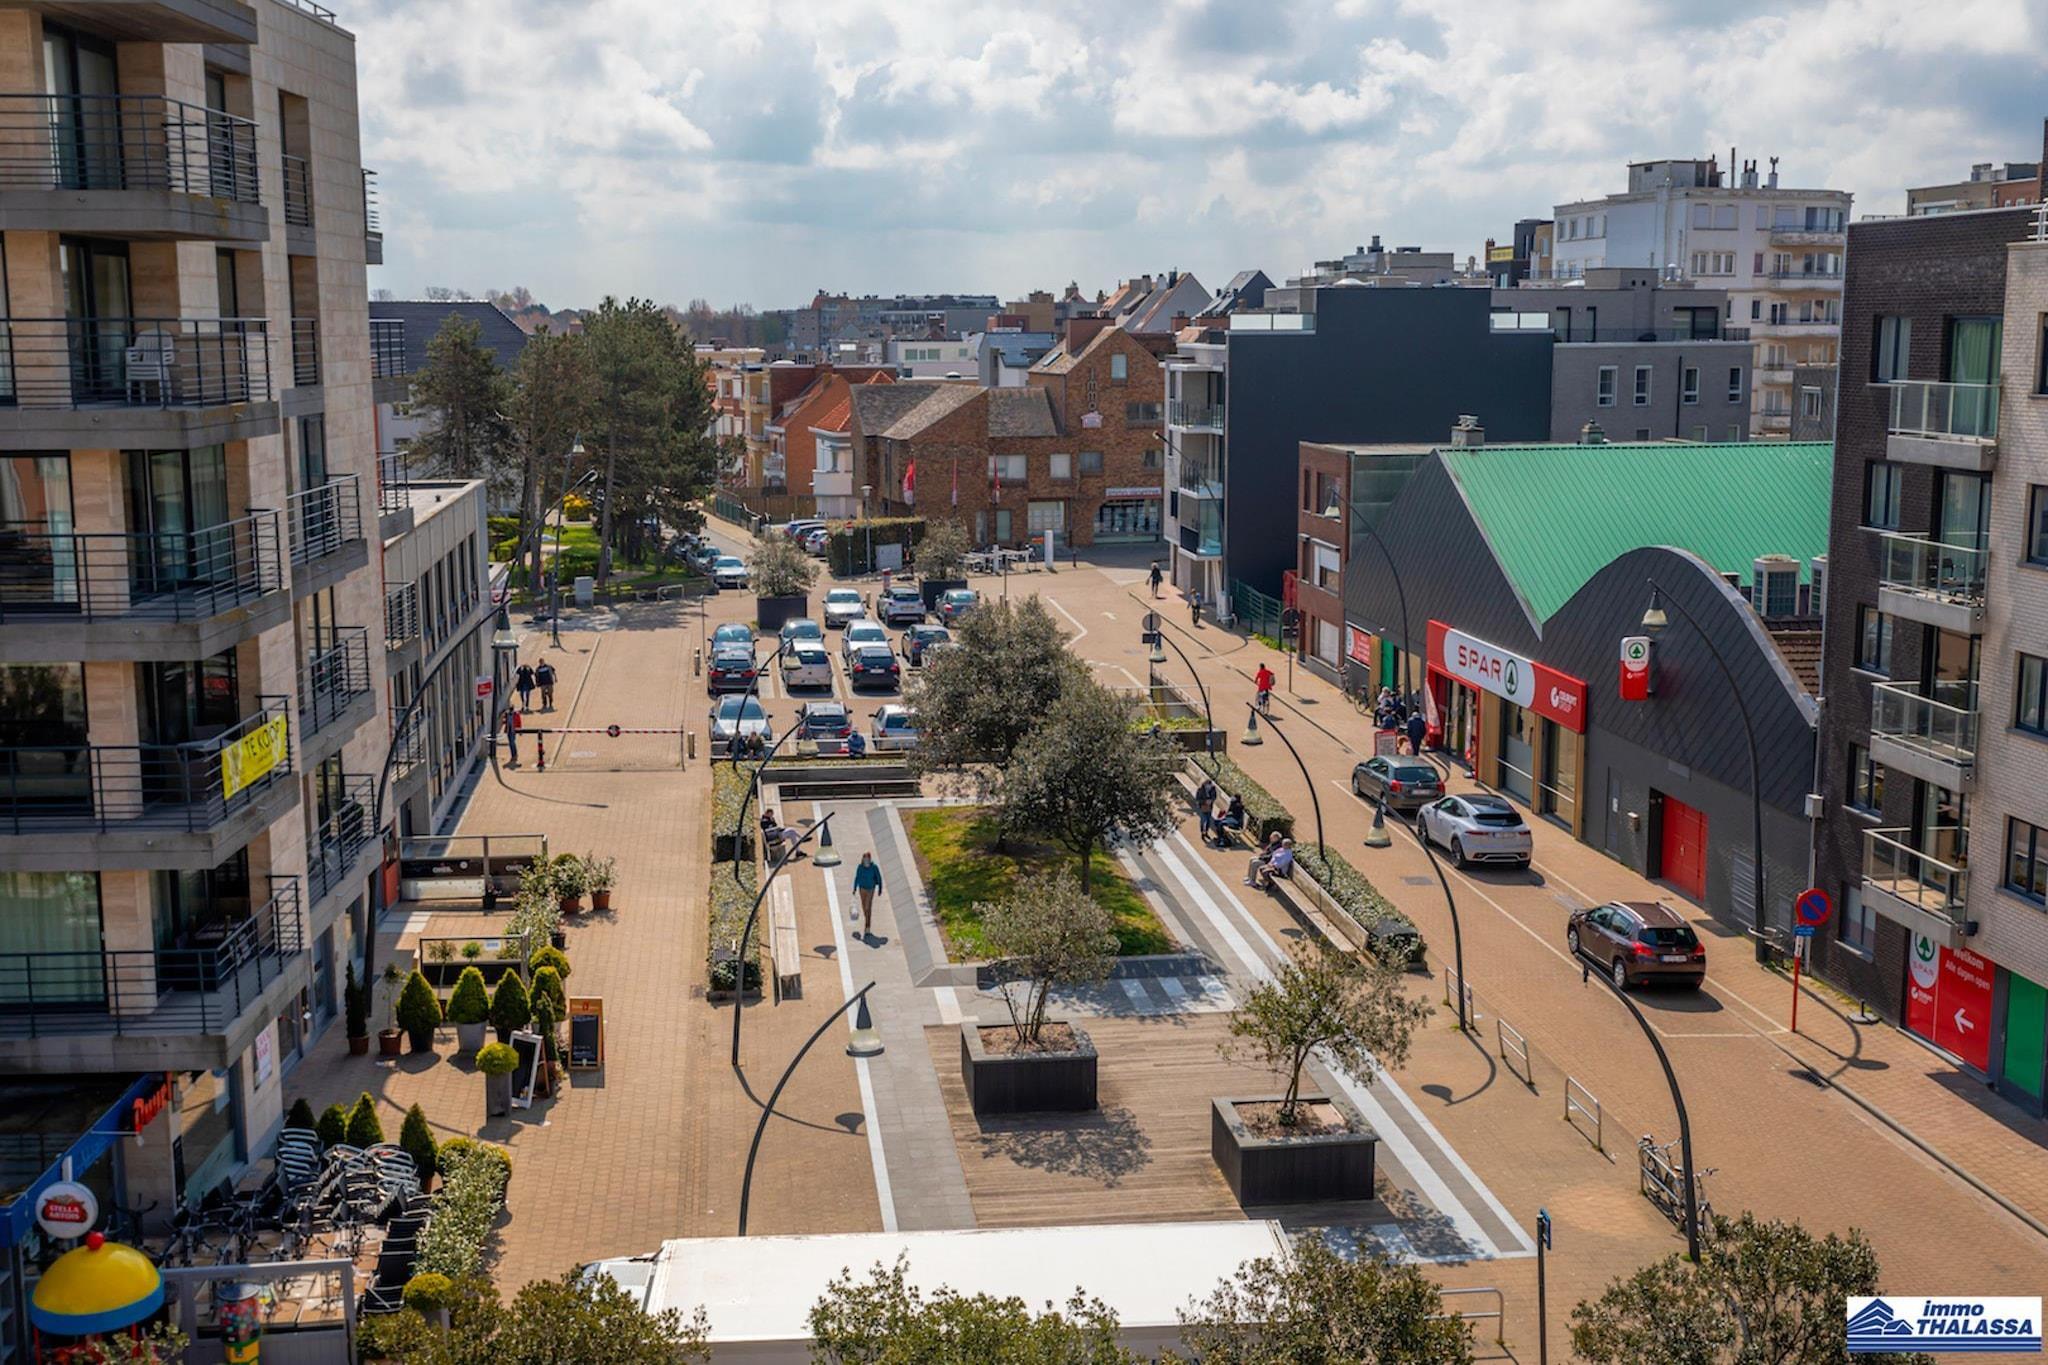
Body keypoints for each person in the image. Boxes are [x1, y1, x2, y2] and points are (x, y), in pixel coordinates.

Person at [852, 852, 883, 937]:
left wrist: (880, 889)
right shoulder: (860, 867)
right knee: (864, 907)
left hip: (870, 889)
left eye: (867, 859)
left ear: (870, 859)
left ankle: (867, 926)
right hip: (862, 888)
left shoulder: (874, 867)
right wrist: (854, 888)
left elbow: (879, 877)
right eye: (865, 859)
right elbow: (857, 877)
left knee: (867, 906)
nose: (866, 861)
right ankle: (867, 920)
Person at [1194, 774, 1219, 843]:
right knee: (1203, 820)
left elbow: (1214, 796)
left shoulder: (1213, 789)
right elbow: (1198, 799)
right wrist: (1205, 801)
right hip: (1203, 806)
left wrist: (1211, 800)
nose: (1209, 787)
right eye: (1208, 785)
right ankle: (1202, 832)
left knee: (1208, 820)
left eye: (1210, 785)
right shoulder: (1200, 790)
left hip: (1209, 807)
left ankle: (1206, 832)